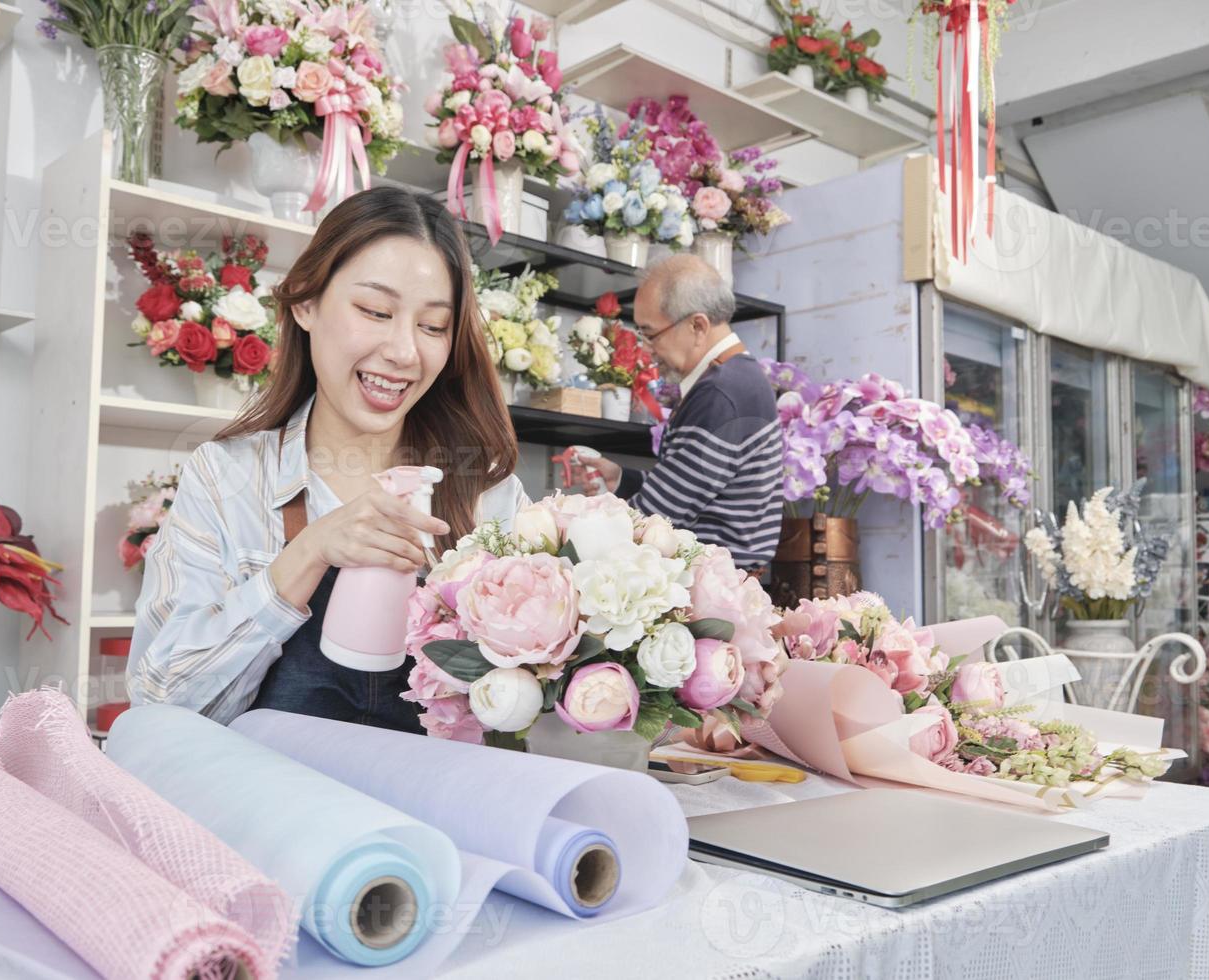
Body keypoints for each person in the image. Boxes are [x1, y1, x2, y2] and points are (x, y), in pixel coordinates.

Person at [127, 186, 529, 732]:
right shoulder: (228, 477)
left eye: (433, 326)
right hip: (275, 812)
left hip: (429, 811)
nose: (404, 352)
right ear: (306, 304)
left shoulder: (487, 494)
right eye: (375, 311)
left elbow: (528, 714)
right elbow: (161, 704)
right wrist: (308, 553)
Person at [570, 254, 780, 571]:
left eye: (650, 333)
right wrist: (622, 480)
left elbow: (655, 519)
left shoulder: (720, 394)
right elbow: (695, 490)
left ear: (698, 325)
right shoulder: (737, 380)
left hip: (707, 588)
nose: (646, 348)